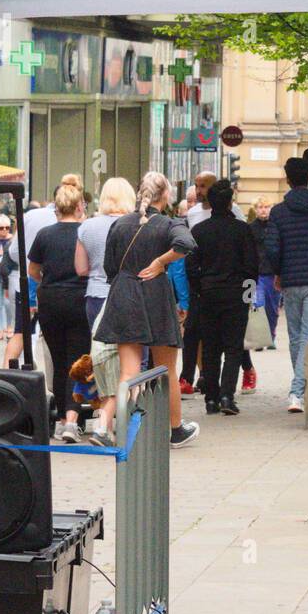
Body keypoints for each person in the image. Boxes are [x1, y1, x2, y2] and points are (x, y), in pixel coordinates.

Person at [95, 171, 199, 449]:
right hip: (155, 298)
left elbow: (109, 267)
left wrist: (127, 279)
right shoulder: (168, 224)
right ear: (165, 196)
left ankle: (119, 428)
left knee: (128, 372)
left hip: (125, 293)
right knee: (167, 370)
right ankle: (175, 430)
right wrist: (160, 262)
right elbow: (187, 244)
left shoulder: (119, 225)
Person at [187, 181, 260, 416]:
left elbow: (191, 266)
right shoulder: (242, 230)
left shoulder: (199, 231)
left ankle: (211, 397)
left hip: (207, 294)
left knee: (210, 347)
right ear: (230, 202)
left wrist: (199, 289)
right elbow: (251, 266)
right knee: (233, 347)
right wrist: (248, 296)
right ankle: (227, 396)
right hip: (235, 294)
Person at [28, 183, 92, 444]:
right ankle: (72, 421)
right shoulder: (85, 232)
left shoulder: (45, 235)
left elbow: (33, 270)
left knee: (58, 361)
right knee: (77, 362)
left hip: (50, 301)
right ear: (79, 207)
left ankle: (61, 422)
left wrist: (48, 278)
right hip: (78, 299)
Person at [266, 157, 308, 414]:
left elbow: (272, 247)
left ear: (287, 179)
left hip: (290, 279)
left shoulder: (278, 212)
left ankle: (299, 390)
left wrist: (278, 272)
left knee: (297, 336)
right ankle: (299, 391)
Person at [75, 177, 134, 329]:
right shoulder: (139, 225)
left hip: (97, 294)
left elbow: (81, 269)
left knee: (100, 349)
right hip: (132, 296)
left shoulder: (87, 226)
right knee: (133, 350)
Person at [248, 197, 281, 346]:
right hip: (256, 273)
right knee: (257, 305)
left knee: (272, 308)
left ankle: (271, 336)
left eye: (266, 207)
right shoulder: (250, 228)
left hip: (272, 273)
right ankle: (260, 339)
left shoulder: (275, 227)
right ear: (255, 209)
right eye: (260, 207)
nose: (263, 210)